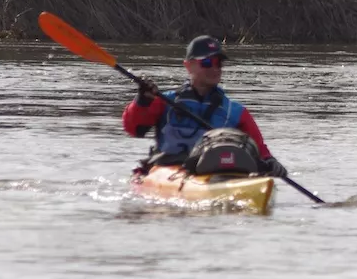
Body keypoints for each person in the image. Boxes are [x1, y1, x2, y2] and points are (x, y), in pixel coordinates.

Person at [122, 35, 288, 177]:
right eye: (208, 62)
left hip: (214, 173)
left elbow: (260, 148)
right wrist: (142, 101)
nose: (215, 68)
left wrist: (270, 161)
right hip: (169, 171)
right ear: (188, 65)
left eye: (219, 64)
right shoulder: (164, 101)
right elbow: (134, 129)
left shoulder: (235, 112)